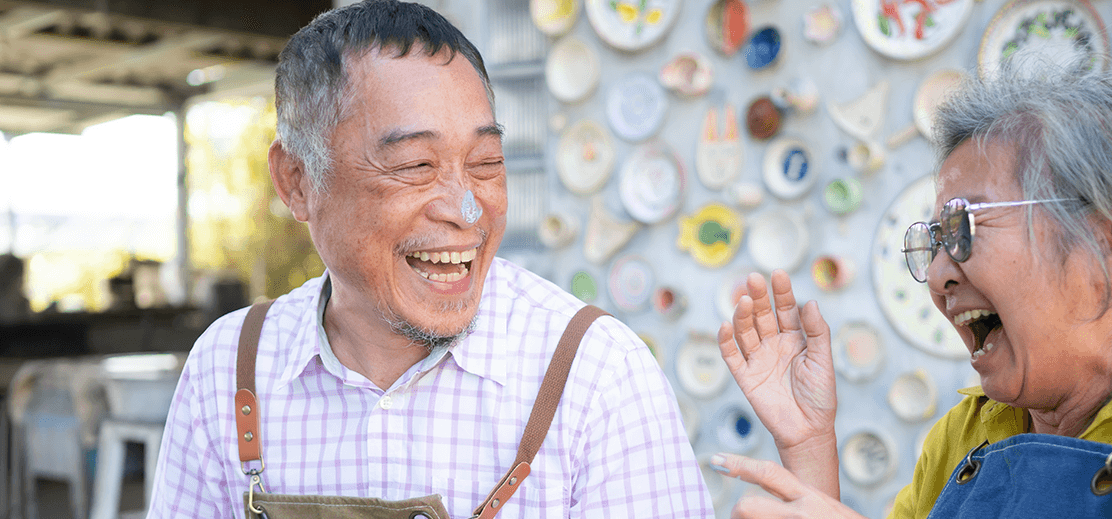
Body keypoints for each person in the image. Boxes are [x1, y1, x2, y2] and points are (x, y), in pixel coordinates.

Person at [148, 2, 712, 517]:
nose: (466, 210)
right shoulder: (227, 369)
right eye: (416, 165)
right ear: (297, 181)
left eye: (486, 162)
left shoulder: (596, 375)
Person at [709, 70, 1112, 518]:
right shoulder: (968, 435)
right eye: (933, 240)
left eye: (965, 227)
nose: (937, 277)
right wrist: (809, 444)